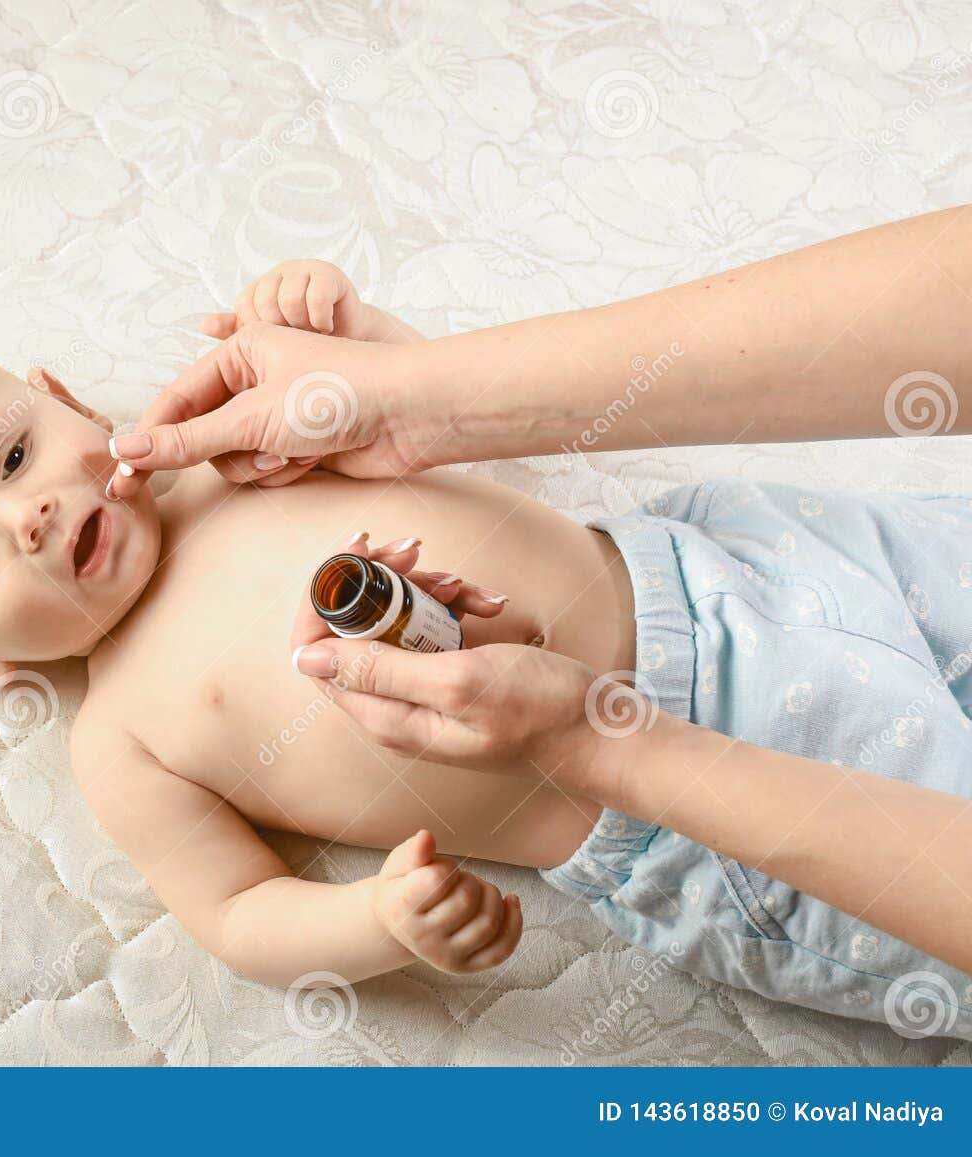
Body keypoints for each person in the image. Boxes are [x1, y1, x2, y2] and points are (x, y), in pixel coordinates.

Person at [104, 208, 972, 983]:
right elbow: (236, 912)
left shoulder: (243, 449)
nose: (24, 520)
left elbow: (444, 432)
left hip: (728, 565)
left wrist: (353, 341)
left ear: (66, 405)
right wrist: (377, 917)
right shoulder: (118, 733)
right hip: (687, 817)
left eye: (16, 454)